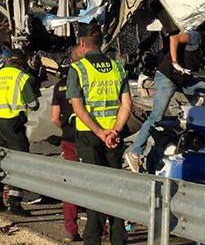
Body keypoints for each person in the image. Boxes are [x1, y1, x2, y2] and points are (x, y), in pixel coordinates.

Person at [125, 22, 205, 173]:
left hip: (183, 79)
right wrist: (175, 62)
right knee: (156, 116)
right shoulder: (196, 37)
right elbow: (174, 39)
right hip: (168, 77)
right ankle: (135, 152)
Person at [66, 22, 132, 245]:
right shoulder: (118, 67)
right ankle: (118, 238)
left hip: (89, 136)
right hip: (115, 136)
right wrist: (114, 131)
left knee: (93, 189)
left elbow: (78, 108)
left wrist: (100, 132)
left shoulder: (77, 69)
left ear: (82, 43)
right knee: (115, 188)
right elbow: (127, 105)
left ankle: (92, 239)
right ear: (102, 42)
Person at [0, 48, 40, 216]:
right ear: (22, 63)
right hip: (14, 124)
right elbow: (33, 105)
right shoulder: (22, 78)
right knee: (20, 163)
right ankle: (14, 202)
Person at [51, 46, 83, 243]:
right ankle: (103, 227)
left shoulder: (60, 85)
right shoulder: (90, 79)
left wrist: (66, 128)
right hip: (92, 137)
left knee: (70, 184)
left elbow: (54, 118)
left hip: (69, 138)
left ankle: (71, 229)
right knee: (98, 182)